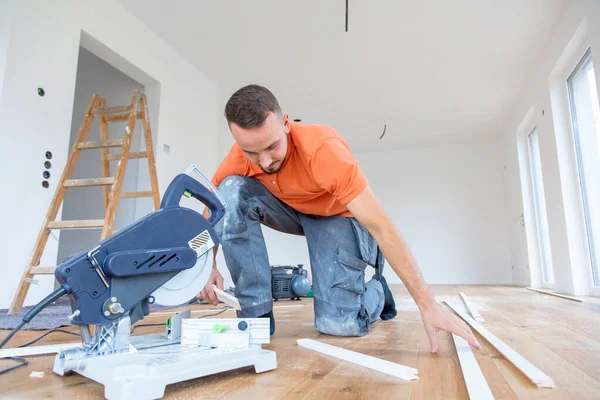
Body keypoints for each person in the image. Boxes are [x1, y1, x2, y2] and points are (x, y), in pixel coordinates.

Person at [198, 84, 480, 352]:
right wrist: (205, 267)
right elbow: (212, 208)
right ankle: (255, 314)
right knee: (229, 191)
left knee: (338, 324)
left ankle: (377, 292)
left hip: (337, 217)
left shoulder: (323, 150)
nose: (265, 162)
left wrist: (427, 304)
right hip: (291, 212)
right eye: (252, 152)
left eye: (272, 147)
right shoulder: (240, 157)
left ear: (285, 123)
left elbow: (381, 226)